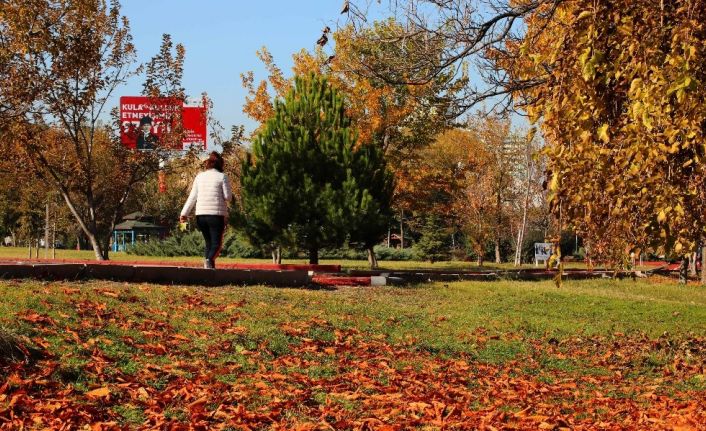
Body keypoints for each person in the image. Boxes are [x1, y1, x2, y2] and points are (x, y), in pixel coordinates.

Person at [179, 152, 233, 269]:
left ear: (208, 164)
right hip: (216, 216)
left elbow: (192, 196)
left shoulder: (199, 177)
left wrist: (183, 213)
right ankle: (208, 260)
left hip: (201, 216)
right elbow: (228, 197)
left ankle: (208, 269)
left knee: (209, 243)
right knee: (217, 244)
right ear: (220, 164)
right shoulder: (222, 177)